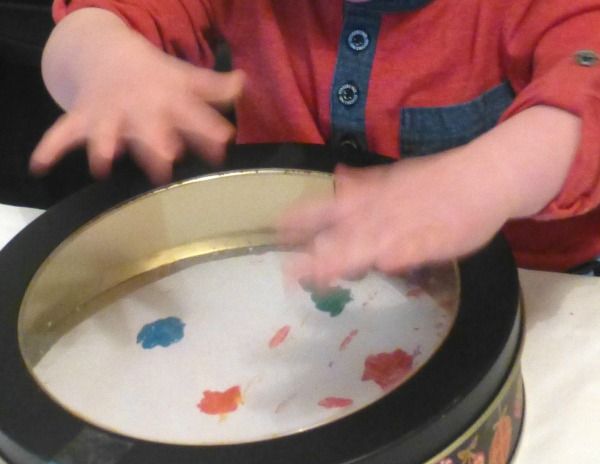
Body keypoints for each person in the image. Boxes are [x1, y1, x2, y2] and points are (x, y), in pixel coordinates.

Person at [31, 1, 600, 285]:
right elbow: (87, 23)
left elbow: (587, 85)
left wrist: (493, 176)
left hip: (535, 288)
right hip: (297, 264)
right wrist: (104, 61)